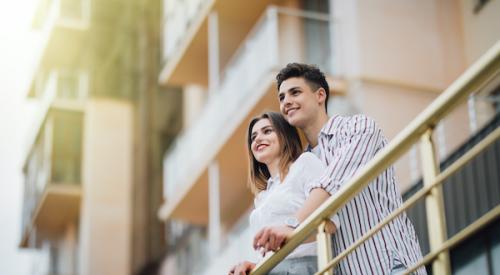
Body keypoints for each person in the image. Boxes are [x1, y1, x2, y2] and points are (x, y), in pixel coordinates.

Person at [253, 63, 425, 274]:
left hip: (389, 264)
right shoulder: (304, 163)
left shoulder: (358, 128)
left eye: (295, 92)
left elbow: (333, 182)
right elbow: (311, 240)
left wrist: (293, 227)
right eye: (281, 97)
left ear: (320, 95)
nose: (286, 101)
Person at [228, 112, 340, 275]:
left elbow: (330, 223)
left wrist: (291, 234)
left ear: (284, 135)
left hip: (302, 268)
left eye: (267, 131)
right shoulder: (262, 198)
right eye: (253, 137)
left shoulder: (304, 163)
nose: (258, 139)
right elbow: (274, 247)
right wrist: (256, 265)